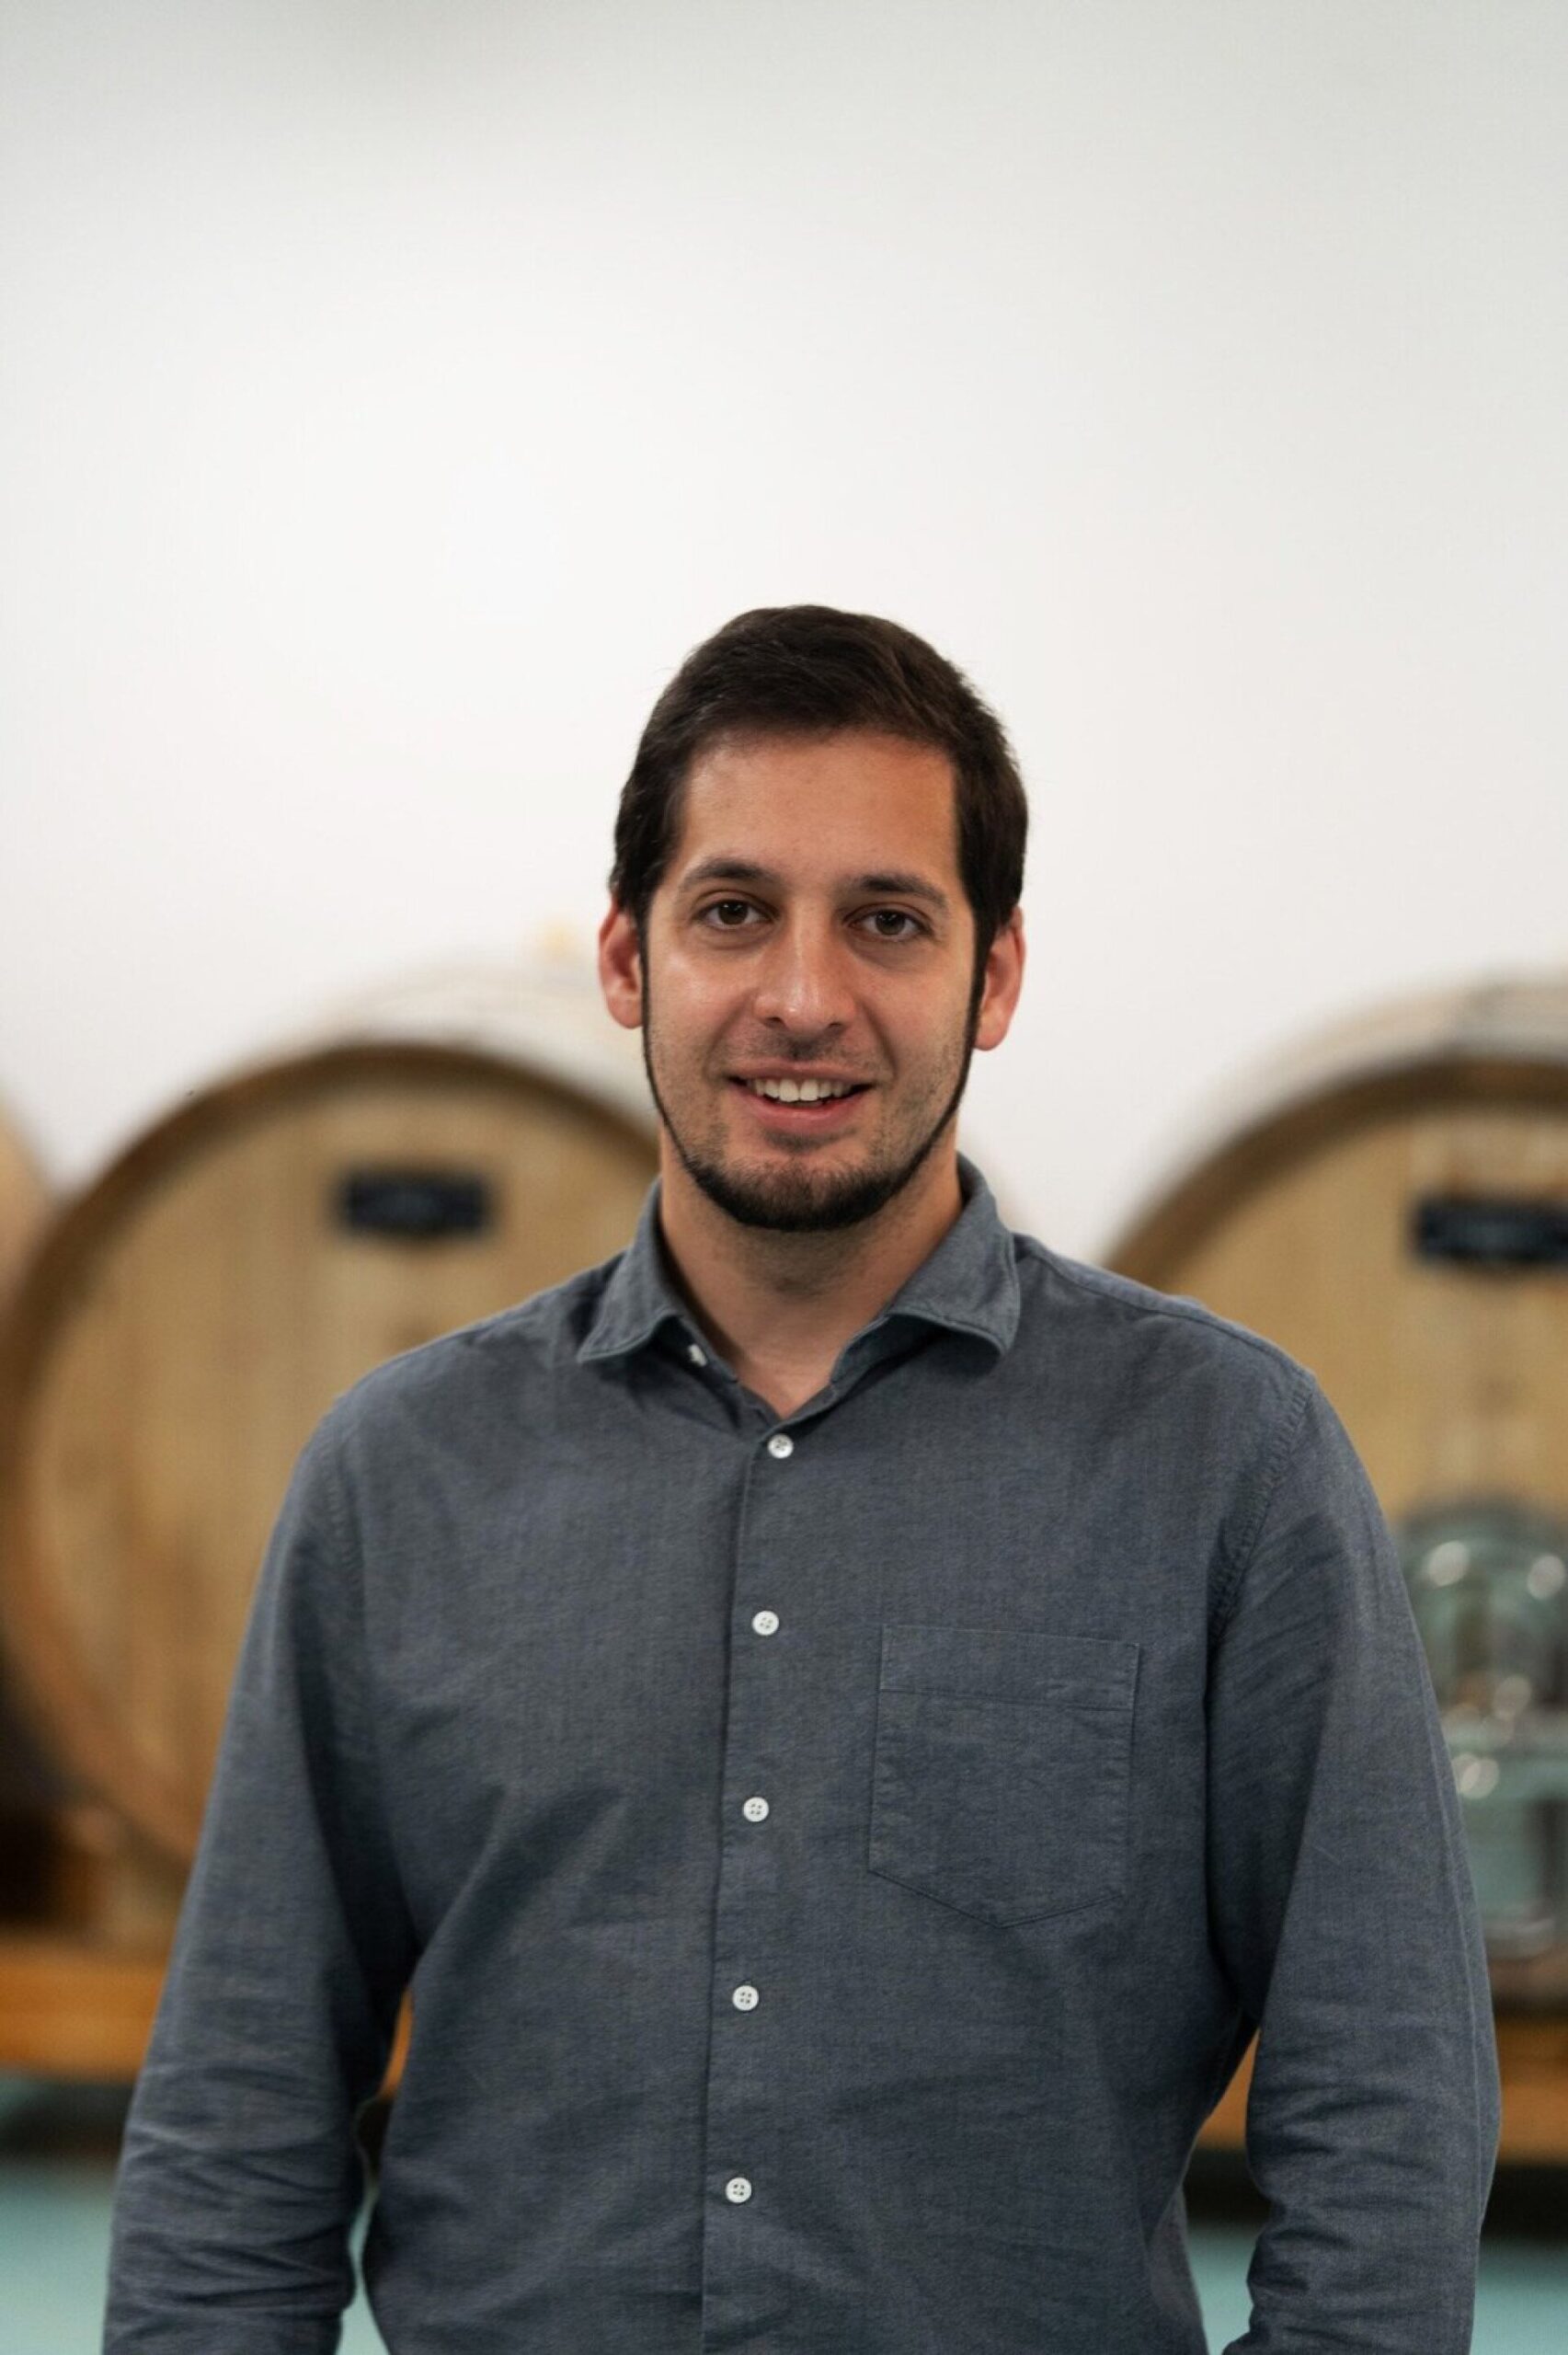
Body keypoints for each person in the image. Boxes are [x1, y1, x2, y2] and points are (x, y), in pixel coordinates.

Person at [103, 604, 1500, 2354]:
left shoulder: (1225, 1460)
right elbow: (239, 2114)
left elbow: (1387, 2097)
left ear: (993, 976)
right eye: (733, 911)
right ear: (627, 961)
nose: (803, 998)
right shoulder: (401, 1473)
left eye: (887, 921)